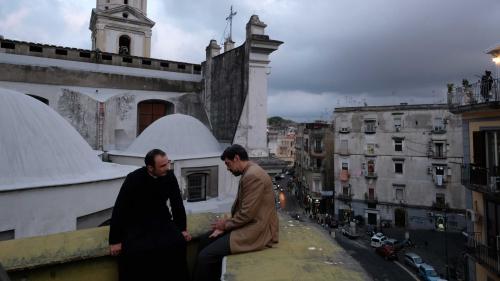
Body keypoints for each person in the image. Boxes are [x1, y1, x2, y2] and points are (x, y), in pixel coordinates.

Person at [193, 144, 279, 281]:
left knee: (206, 256)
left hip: (256, 230)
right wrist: (225, 226)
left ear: (237, 158)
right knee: (205, 240)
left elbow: (247, 214)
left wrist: (224, 226)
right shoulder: (250, 172)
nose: (227, 168)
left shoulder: (253, 176)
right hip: (247, 224)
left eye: (228, 163)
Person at [109, 149, 192, 281]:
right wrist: (114, 240)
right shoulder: (134, 178)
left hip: (162, 220)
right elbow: (120, 208)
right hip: (137, 222)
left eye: (168, 163)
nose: (168, 168)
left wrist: (182, 229)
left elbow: (177, 203)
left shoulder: (169, 176)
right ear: (150, 167)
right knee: (136, 252)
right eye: (163, 166)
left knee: (178, 243)